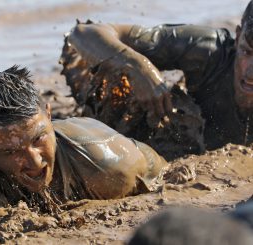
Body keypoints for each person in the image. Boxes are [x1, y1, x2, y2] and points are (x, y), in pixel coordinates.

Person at [0, 66, 166, 211]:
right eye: (11, 152)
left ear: (49, 115)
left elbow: (165, 175)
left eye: (38, 138)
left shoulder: (107, 164)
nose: (34, 162)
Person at [61, 1, 253, 154]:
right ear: (237, 38)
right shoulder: (207, 51)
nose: (250, 73)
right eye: (247, 52)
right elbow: (84, 34)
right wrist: (138, 68)